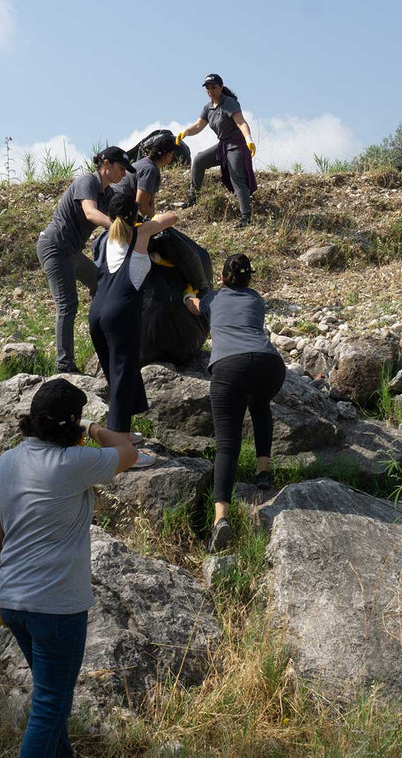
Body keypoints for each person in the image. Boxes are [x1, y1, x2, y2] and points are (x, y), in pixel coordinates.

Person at [0, 378, 138, 758]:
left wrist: (2, 582)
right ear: (71, 424)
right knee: (50, 707)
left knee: (54, 699)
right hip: (57, 607)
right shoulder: (75, 462)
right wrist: (95, 430)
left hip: (15, 601)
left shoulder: (6, 462)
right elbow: (129, 452)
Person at [183, 254, 285, 551]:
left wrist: (188, 295)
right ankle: (263, 470)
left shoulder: (213, 299)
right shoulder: (256, 300)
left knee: (228, 444)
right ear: (249, 279)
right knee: (260, 402)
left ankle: (221, 519)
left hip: (229, 366)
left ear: (223, 278)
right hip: (269, 365)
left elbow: (194, 307)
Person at [89, 191, 178, 449]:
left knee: (118, 372)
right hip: (121, 312)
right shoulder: (140, 234)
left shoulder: (105, 238)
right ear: (132, 215)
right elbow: (171, 217)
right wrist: (147, 220)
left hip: (96, 313)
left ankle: (123, 433)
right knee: (123, 374)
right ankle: (119, 448)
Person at [40, 146, 136, 374]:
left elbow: (124, 214)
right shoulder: (88, 182)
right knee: (68, 303)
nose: (123, 175)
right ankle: (64, 364)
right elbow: (91, 213)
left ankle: (104, 339)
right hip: (54, 246)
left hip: (71, 252)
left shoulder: (108, 194)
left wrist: (145, 227)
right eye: (121, 169)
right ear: (106, 165)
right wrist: (117, 227)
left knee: (101, 284)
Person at [177, 73, 257, 225]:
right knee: (199, 160)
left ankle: (246, 217)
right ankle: (193, 197)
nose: (210, 91)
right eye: (207, 88)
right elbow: (199, 126)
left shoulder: (228, 103)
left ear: (221, 87)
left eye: (213, 87)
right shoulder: (208, 108)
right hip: (223, 146)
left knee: (237, 179)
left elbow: (241, 123)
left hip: (236, 145)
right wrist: (185, 132)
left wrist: (249, 139)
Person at [110, 131, 177, 219]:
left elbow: (149, 202)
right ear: (168, 155)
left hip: (118, 205)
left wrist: (153, 218)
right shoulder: (149, 169)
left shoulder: (148, 165)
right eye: (172, 154)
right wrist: (157, 223)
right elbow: (142, 205)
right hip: (118, 208)